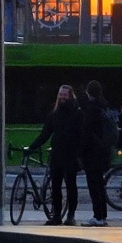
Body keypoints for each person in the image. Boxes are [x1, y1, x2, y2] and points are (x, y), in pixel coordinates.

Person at [33, 84, 83, 226]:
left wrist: (79, 154)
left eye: (64, 95)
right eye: (60, 94)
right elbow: (45, 134)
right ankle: (57, 215)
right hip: (57, 154)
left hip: (71, 154)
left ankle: (70, 215)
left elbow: (81, 135)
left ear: (70, 96)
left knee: (70, 185)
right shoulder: (54, 114)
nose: (62, 97)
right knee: (56, 186)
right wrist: (32, 147)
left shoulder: (77, 113)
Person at [79, 79, 114, 226]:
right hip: (103, 151)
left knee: (94, 186)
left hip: (92, 153)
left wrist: (81, 152)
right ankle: (103, 216)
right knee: (100, 185)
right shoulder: (104, 107)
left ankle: (97, 216)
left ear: (88, 92)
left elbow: (86, 133)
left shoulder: (91, 109)